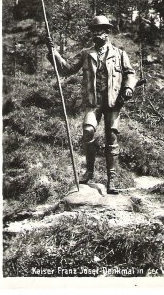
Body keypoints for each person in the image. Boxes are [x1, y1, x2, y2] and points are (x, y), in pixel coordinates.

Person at [47, 15, 136, 194]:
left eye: (100, 30)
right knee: (88, 130)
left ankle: (112, 178)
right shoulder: (86, 53)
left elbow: (130, 73)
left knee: (112, 137)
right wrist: (54, 52)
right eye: (94, 30)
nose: (96, 33)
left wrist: (128, 88)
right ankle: (89, 172)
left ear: (107, 32)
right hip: (93, 102)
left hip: (113, 102)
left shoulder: (119, 54)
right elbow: (67, 69)